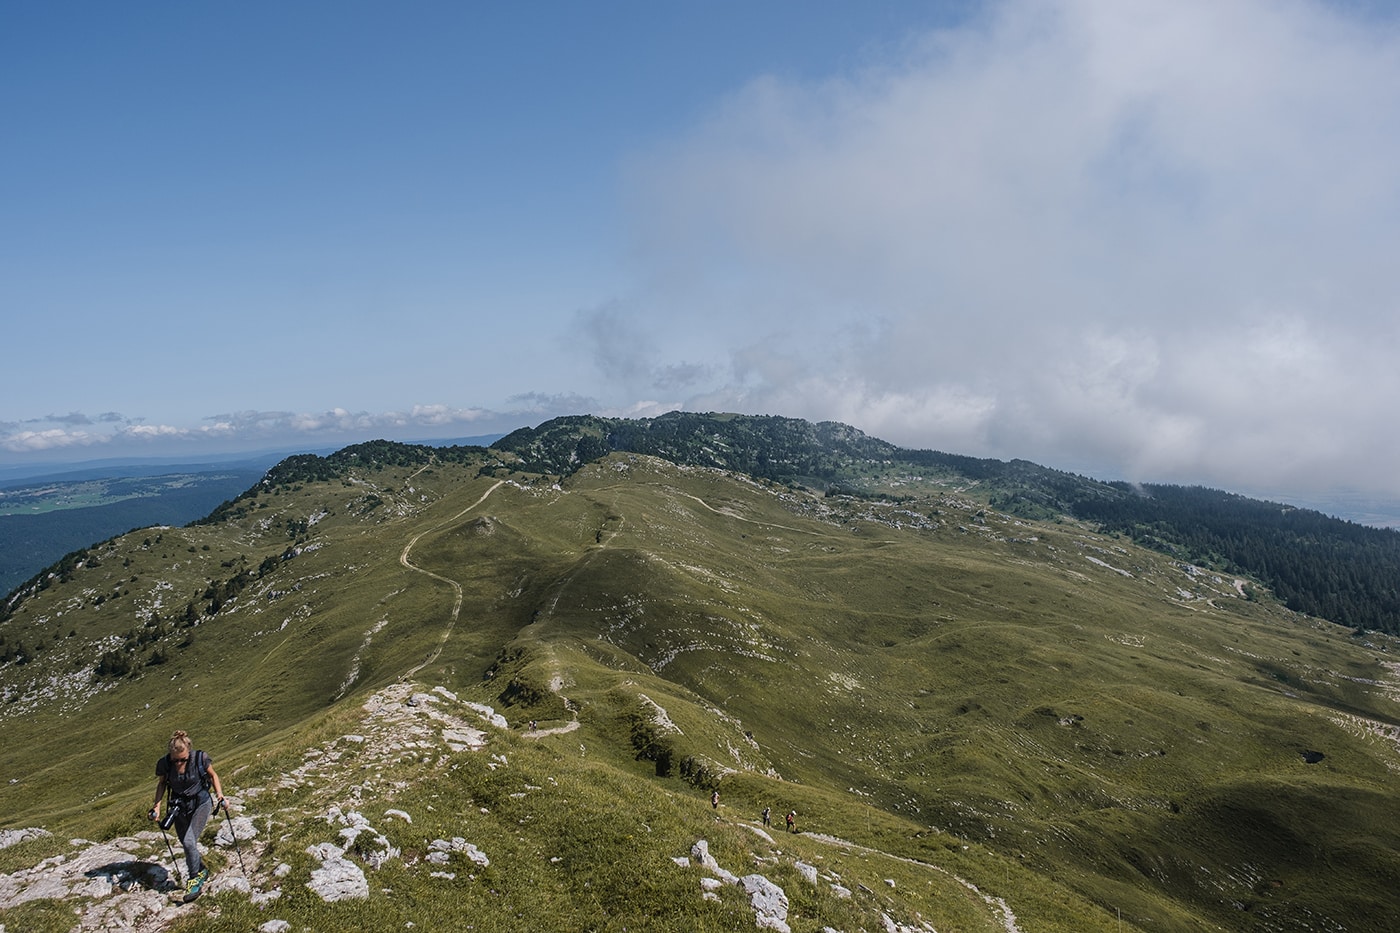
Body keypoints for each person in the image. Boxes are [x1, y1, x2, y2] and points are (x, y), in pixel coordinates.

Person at [149, 730, 225, 900]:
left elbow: (213, 775)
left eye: (183, 759)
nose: (179, 764)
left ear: (188, 752)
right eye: (175, 760)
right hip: (178, 806)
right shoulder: (164, 764)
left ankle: (194, 881)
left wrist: (219, 794)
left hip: (200, 803)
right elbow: (162, 784)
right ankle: (202, 870)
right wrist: (157, 806)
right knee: (186, 843)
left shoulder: (200, 758)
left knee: (190, 841)